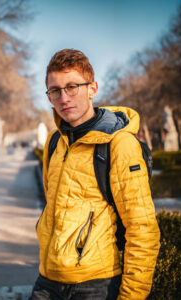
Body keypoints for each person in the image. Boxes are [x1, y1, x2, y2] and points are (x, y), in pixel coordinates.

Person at [30, 49, 160, 300]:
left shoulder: (119, 144)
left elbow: (142, 228)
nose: (63, 97)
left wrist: (132, 296)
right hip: (47, 279)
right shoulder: (54, 141)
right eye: (54, 90)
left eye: (72, 87)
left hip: (95, 284)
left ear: (92, 88)